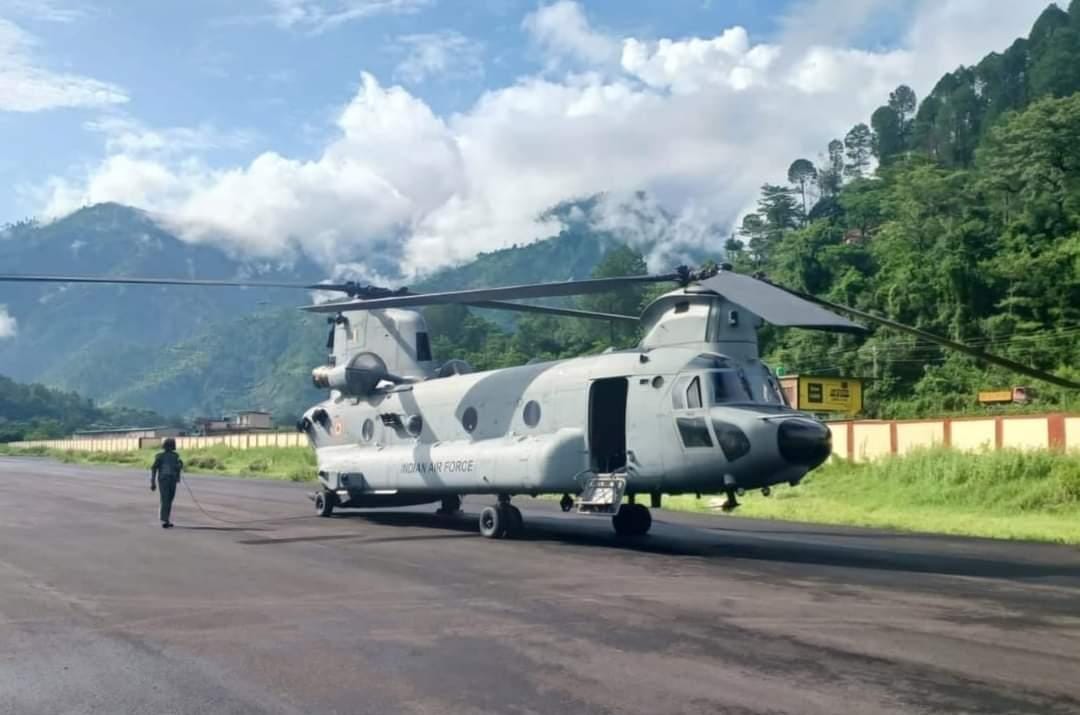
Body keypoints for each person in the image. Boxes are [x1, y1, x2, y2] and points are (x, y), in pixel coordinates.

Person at [150, 438, 184, 528]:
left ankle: (166, 519)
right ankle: (164, 520)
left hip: (172, 480)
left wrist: (180, 465)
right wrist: (153, 482)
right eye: (169, 445)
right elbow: (154, 468)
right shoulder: (160, 456)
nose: (170, 447)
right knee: (165, 499)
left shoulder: (175, 456)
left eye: (171, 445)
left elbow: (177, 468)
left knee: (169, 500)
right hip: (164, 480)